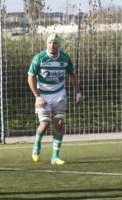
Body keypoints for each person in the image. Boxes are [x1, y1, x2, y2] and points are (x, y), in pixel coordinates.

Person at [28, 33, 82, 165]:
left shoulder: (64, 58)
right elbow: (30, 77)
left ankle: (55, 157)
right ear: (47, 44)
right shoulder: (39, 58)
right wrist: (37, 96)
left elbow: (72, 75)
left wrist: (78, 92)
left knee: (59, 124)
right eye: (50, 42)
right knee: (44, 124)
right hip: (43, 96)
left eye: (55, 42)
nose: (52, 45)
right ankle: (37, 145)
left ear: (59, 44)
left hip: (59, 95)